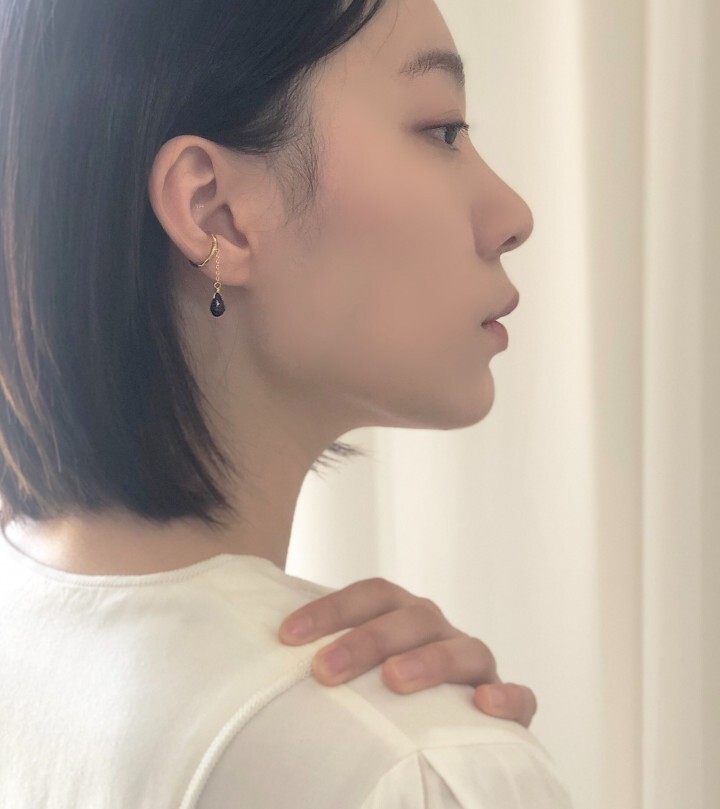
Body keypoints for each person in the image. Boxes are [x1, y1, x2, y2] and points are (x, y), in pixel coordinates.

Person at [0, 0, 573, 806]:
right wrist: (451, 766)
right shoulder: (404, 766)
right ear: (216, 214)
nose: (514, 216)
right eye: (443, 131)